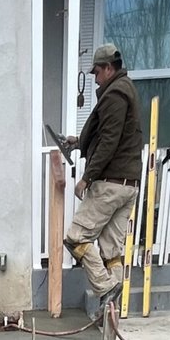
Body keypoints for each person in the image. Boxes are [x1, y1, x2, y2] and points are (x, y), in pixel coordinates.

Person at [63, 42, 145, 315]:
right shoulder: (127, 90)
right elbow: (111, 133)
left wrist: (87, 177)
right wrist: (79, 141)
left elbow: (109, 141)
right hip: (128, 184)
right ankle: (111, 315)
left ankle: (104, 289)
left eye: (97, 72)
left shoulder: (114, 95)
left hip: (110, 183)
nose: (95, 77)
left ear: (109, 68)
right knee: (111, 250)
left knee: (76, 238)